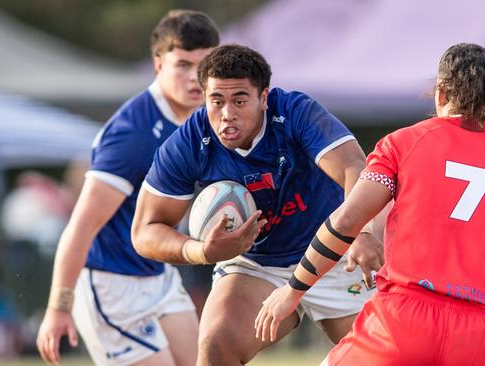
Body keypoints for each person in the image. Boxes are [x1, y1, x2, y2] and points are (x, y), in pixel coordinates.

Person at [256, 43, 485, 365]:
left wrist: (292, 291)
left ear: (441, 93)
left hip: (403, 324)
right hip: (483, 338)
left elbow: (346, 222)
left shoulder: (403, 143)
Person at [131, 44, 382, 366]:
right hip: (258, 266)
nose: (227, 114)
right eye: (216, 101)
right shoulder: (190, 143)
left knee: (386, 358)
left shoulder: (295, 112)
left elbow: (354, 169)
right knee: (215, 346)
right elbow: (145, 231)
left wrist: (359, 232)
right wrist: (202, 252)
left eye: (239, 100)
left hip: (333, 256)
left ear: (263, 98)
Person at [36, 10, 220, 366]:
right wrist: (58, 308)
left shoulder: (205, 116)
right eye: (182, 64)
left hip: (159, 276)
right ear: (157, 63)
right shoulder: (133, 134)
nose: (195, 77)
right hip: (111, 284)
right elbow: (82, 225)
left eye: (204, 64)